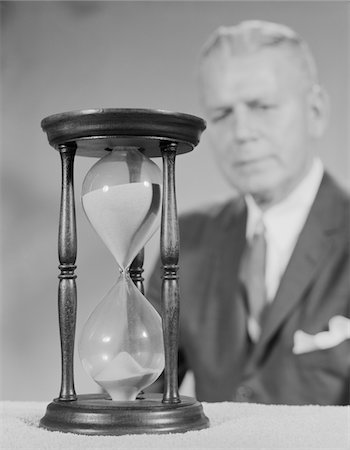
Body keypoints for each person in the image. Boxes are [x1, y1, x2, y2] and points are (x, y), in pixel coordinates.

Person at [147, 20, 350, 405]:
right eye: (222, 114)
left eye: (262, 106)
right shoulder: (186, 240)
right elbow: (143, 400)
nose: (241, 132)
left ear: (316, 111)